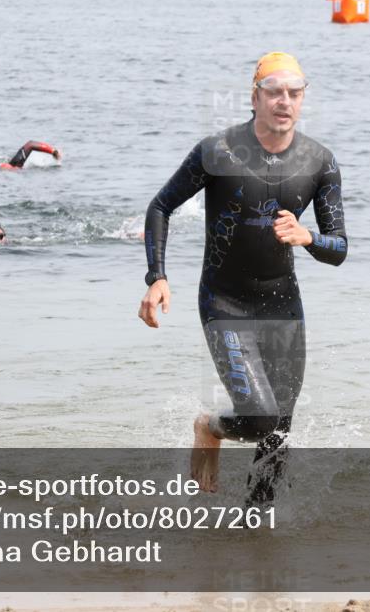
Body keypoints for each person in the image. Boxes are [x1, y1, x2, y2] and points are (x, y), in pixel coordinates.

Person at [138, 52, 348, 506]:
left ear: (303, 98)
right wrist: (157, 277)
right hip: (224, 301)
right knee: (258, 418)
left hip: (282, 304)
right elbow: (160, 206)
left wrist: (307, 237)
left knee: (279, 433)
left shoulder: (320, 162)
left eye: (294, 93)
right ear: (255, 96)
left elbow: (340, 249)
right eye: (274, 92)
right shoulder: (218, 151)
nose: (284, 101)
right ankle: (208, 427)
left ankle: (256, 531)